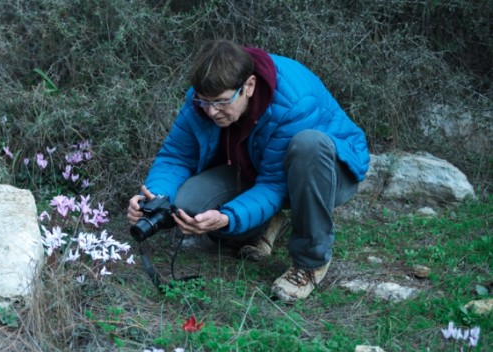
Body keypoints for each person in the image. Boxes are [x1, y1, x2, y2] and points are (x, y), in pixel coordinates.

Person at [127, 39, 370, 302]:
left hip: (327, 171)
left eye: (220, 102)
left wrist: (228, 217)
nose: (211, 111)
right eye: (204, 102)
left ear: (249, 86)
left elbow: (275, 185)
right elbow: (176, 157)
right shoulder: (203, 98)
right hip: (254, 168)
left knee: (308, 145)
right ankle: (269, 223)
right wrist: (155, 200)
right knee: (187, 206)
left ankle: (310, 262)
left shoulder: (295, 101)